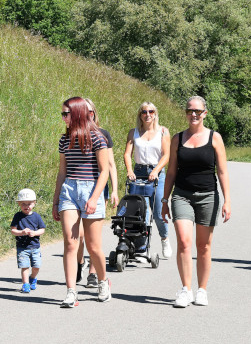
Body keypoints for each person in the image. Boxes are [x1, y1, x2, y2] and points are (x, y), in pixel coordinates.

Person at [161, 96, 231, 308]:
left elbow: (222, 171)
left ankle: (202, 290)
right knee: (183, 241)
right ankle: (186, 289)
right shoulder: (177, 139)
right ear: (186, 112)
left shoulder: (214, 138)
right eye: (190, 110)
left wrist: (228, 200)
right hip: (182, 194)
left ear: (205, 114)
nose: (193, 114)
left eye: (198, 111)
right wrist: (165, 200)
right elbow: (171, 171)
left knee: (203, 246)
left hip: (208, 196)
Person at [52, 96, 111, 308]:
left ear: (76, 113)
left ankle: (103, 282)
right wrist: (55, 199)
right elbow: (61, 172)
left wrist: (95, 198)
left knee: (94, 247)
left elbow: (104, 171)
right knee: (70, 243)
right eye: (62, 114)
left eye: (66, 114)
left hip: (91, 189)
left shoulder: (97, 137)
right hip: (69, 190)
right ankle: (71, 292)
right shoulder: (63, 140)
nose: (63, 118)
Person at [76, 98, 119, 288]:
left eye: (91, 111)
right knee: (80, 236)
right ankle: (79, 263)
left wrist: (116, 190)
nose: (89, 115)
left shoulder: (103, 134)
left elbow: (110, 165)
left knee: (94, 238)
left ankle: (93, 274)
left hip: (99, 188)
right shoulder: (73, 134)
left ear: (94, 113)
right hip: (78, 187)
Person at [123, 101, 172, 258]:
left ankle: (164, 238)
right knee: (140, 212)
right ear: (140, 115)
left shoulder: (163, 132)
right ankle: (141, 247)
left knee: (158, 212)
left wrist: (157, 170)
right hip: (138, 172)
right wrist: (130, 170)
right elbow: (127, 154)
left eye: (151, 111)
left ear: (155, 114)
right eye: (144, 112)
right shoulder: (134, 132)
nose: (148, 114)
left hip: (156, 173)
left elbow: (166, 154)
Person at [10, 188, 46, 293]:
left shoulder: (36, 217)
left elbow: (42, 229)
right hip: (22, 247)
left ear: (34, 203)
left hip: (35, 246)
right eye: (23, 204)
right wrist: (22, 232)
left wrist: (34, 233)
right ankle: (25, 284)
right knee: (24, 266)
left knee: (36, 266)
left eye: (29, 204)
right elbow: (13, 230)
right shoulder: (17, 216)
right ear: (19, 204)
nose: (27, 206)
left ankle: (33, 278)